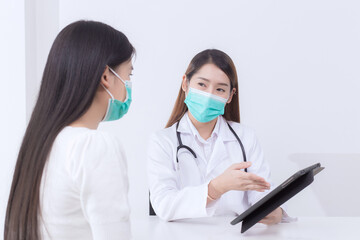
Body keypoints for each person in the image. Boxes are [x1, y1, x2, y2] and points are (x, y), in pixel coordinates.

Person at [4, 20, 135, 240]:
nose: (128, 85)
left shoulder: (41, 143)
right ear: (106, 76)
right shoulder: (93, 146)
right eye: (128, 75)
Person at [147, 49, 285, 223]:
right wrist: (217, 187)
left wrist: (273, 210)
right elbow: (164, 205)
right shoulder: (163, 141)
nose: (209, 94)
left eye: (220, 89)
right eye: (202, 85)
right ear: (185, 84)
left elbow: (262, 192)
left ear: (230, 96)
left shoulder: (246, 137)